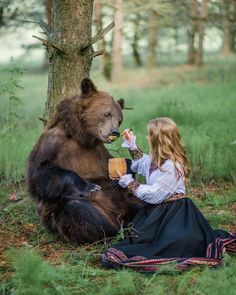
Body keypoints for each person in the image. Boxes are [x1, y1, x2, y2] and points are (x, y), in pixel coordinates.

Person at [101, 117, 236, 273]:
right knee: (140, 240)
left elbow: (155, 194)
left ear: (158, 139)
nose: (146, 137)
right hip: (157, 212)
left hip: (175, 214)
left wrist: (130, 182)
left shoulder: (173, 165)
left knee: (172, 244)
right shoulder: (158, 158)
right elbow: (146, 165)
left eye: (149, 135)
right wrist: (132, 145)